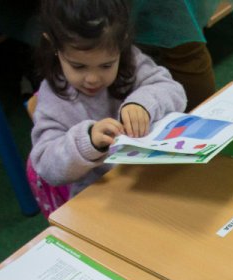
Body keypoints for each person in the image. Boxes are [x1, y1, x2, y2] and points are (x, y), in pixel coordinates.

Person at [29, 0, 187, 215]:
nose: (93, 79)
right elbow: (46, 166)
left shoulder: (132, 61)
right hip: (102, 199)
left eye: (106, 65)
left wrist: (142, 103)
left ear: (122, 43)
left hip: (153, 177)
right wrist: (88, 141)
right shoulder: (55, 97)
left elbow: (173, 90)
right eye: (78, 66)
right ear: (55, 47)